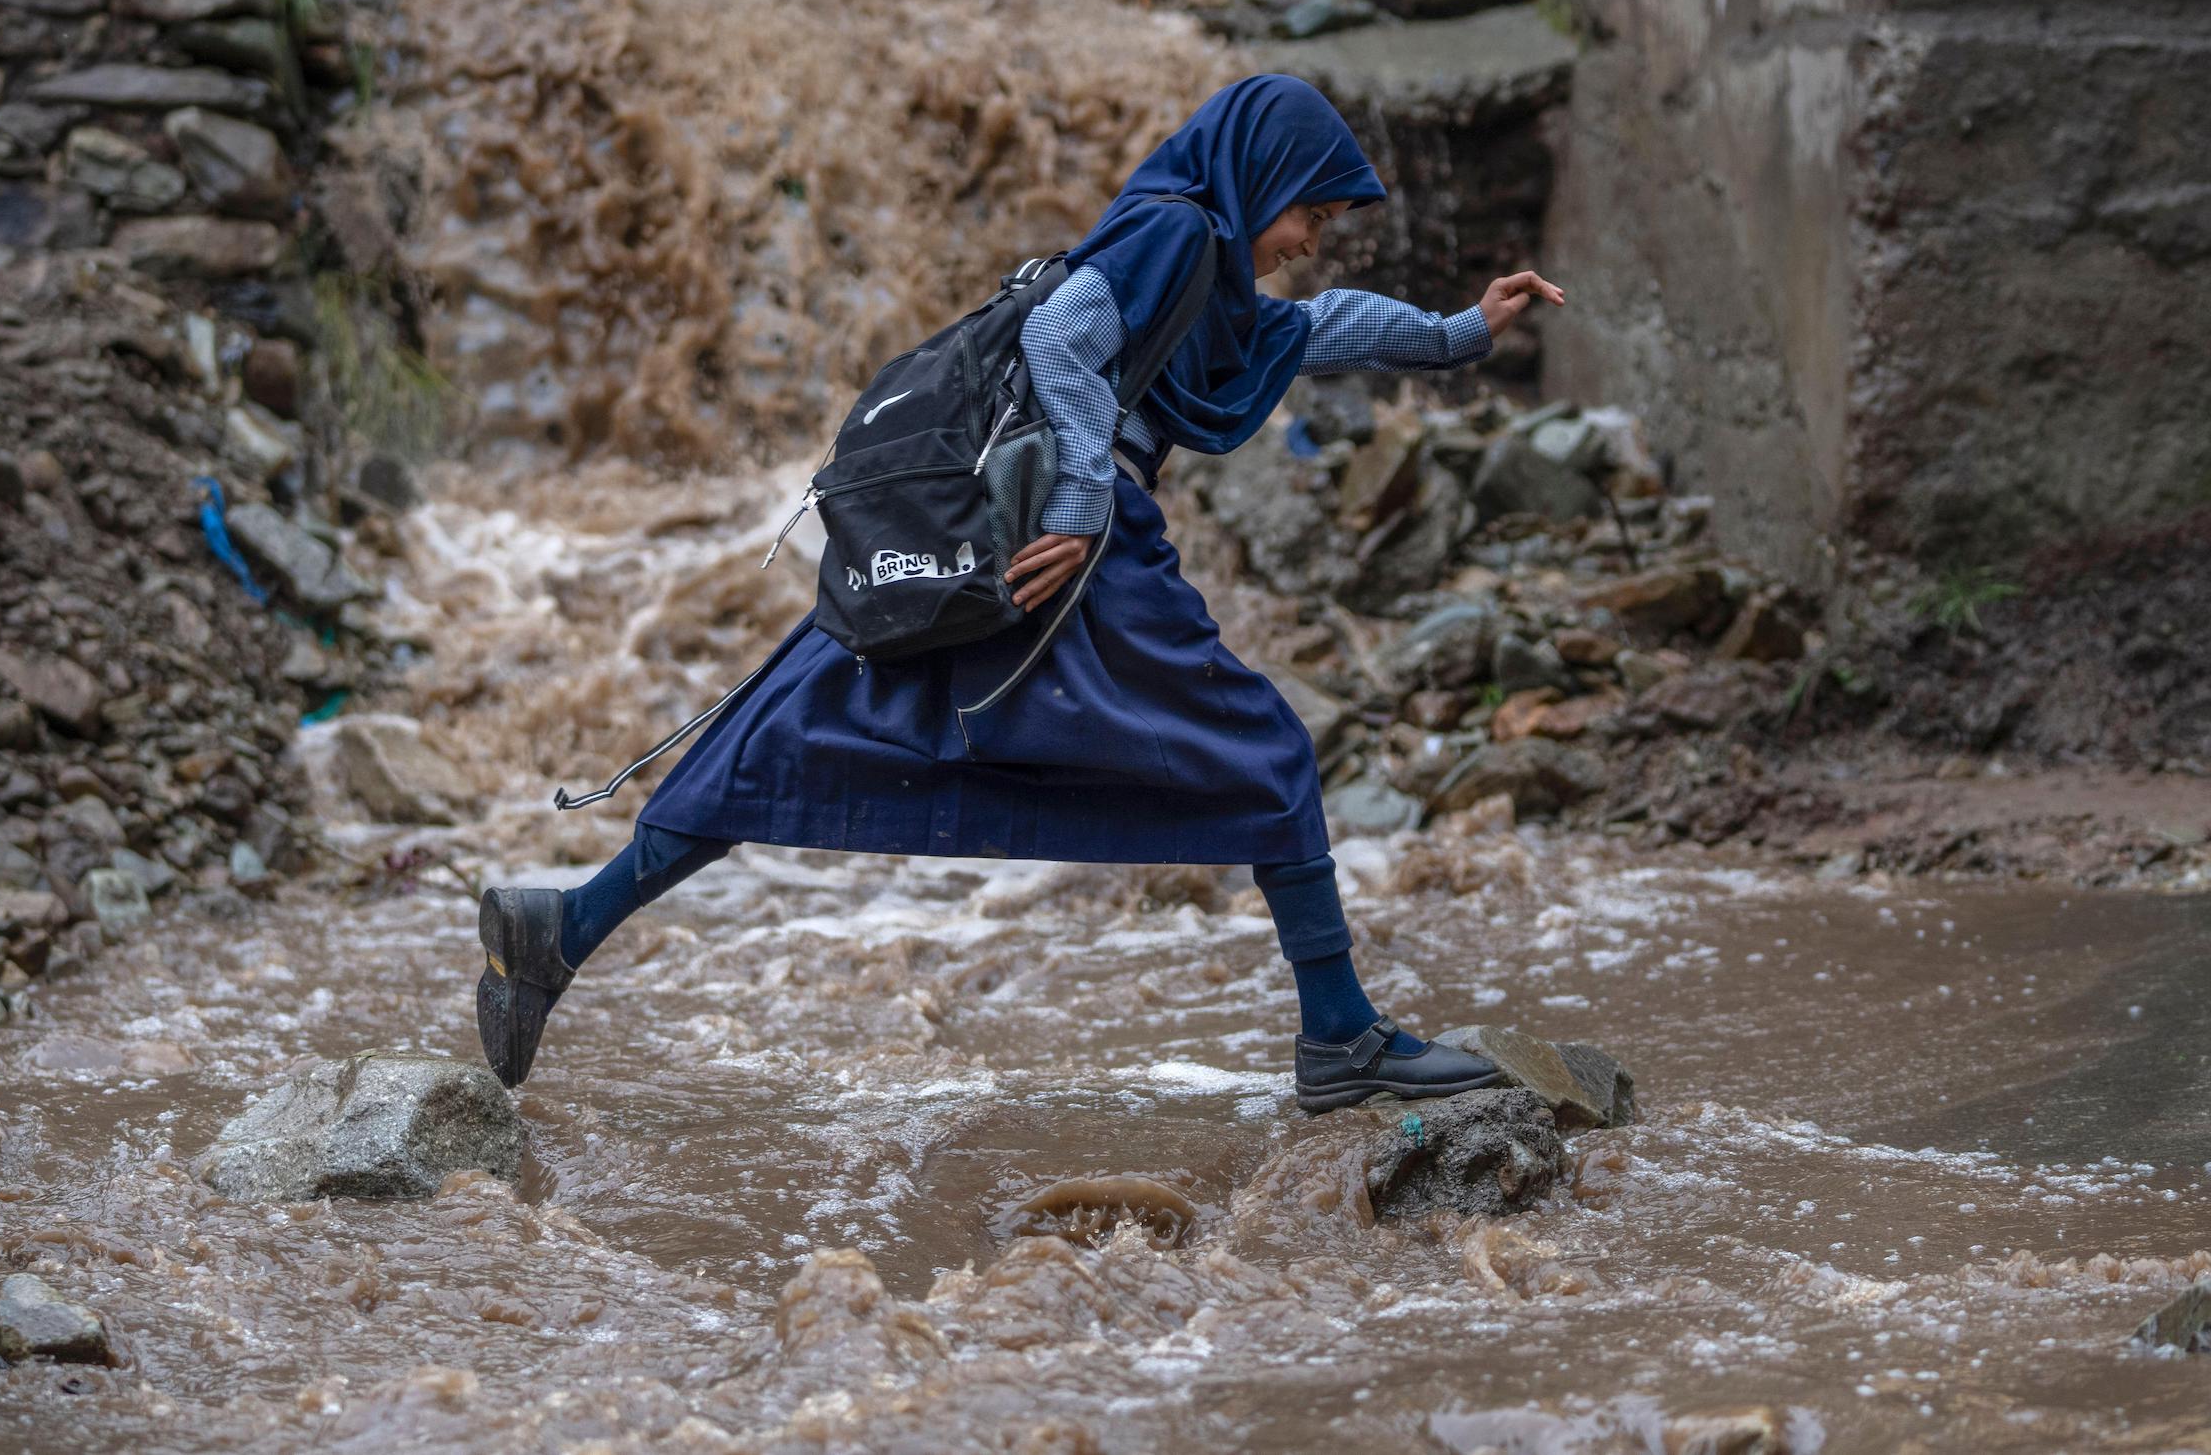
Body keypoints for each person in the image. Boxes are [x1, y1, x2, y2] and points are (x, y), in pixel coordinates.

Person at [476, 75, 1566, 1115]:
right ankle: (1338, 1036)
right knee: (1267, 747)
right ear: (1256, 174)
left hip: (998, 529)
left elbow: (1311, 326)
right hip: (1073, 546)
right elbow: (1058, 337)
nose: (1307, 241)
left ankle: (564, 926)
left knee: (791, 723)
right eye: (1307, 213)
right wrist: (1086, 504)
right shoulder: (1178, 231)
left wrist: (1458, 332)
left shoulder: (1196, 258)